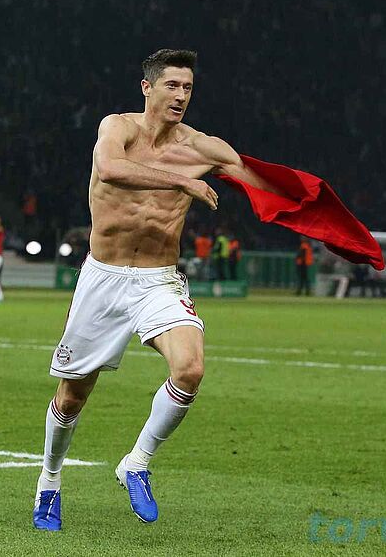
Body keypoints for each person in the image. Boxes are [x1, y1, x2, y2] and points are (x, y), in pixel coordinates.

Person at [33, 49, 285, 530]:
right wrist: (183, 183)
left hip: (158, 279)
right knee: (71, 398)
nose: (181, 95)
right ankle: (49, 481)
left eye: (188, 87)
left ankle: (137, 463)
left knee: (190, 369)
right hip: (104, 278)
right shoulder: (117, 128)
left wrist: (317, 210)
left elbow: (266, 183)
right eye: (172, 85)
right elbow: (111, 168)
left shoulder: (203, 148)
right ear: (147, 87)